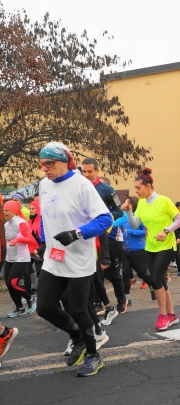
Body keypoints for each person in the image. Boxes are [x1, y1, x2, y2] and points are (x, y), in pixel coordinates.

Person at [35, 141, 113, 377]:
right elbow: (45, 215)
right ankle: (77, 337)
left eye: (50, 163)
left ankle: (93, 355)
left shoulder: (82, 185)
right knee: (45, 307)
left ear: (65, 162)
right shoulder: (44, 184)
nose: (46, 168)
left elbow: (105, 220)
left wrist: (77, 233)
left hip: (79, 259)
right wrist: (41, 239)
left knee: (79, 309)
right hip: (53, 257)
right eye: (42, 164)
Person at [121, 168, 180, 331]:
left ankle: (163, 316)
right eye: (135, 188)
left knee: (154, 279)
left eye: (138, 188)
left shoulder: (164, 201)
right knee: (161, 281)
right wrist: (128, 213)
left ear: (148, 186)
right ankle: (172, 315)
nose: (136, 191)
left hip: (166, 246)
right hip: (150, 246)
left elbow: (179, 220)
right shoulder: (141, 203)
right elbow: (136, 224)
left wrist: (166, 230)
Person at [81, 157, 127, 317]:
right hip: (86, 236)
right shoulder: (78, 187)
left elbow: (119, 211)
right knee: (95, 273)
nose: (86, 175)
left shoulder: (106, 189)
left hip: (108, 236)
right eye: (84, 171)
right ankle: (98, 303)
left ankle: (122, 299)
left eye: (90, 171)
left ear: (97, 171)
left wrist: (103, 216)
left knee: (113, 274)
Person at [115, 196, 154, 306]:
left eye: (129, 203)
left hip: (138, 250)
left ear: (134, 205)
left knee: (142, 273)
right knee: (126, 274)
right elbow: (117, 228)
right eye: (125, 202)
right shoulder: (123, 218)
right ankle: (127, 298)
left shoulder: (138, 217)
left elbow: (145, 232)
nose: (126, 204)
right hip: (126, 250)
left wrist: (132, 232)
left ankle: (152, 286)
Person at [3, 201, 37, 317]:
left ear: (13, 210)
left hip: (21, 258)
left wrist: (17, 240)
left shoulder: (21, 223)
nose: (4, 212)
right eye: (3, 210)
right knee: (8, 284)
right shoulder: (6, 224)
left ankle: (30, 298)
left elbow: (30, 239)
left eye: (7, 210)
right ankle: (19, 308)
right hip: (9, 257)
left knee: (13, 283)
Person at [172, 201, 180, 276]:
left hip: (176, 240)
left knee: (177, 255)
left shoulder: (175, 218)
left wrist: (179, 238)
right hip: (168, 240)